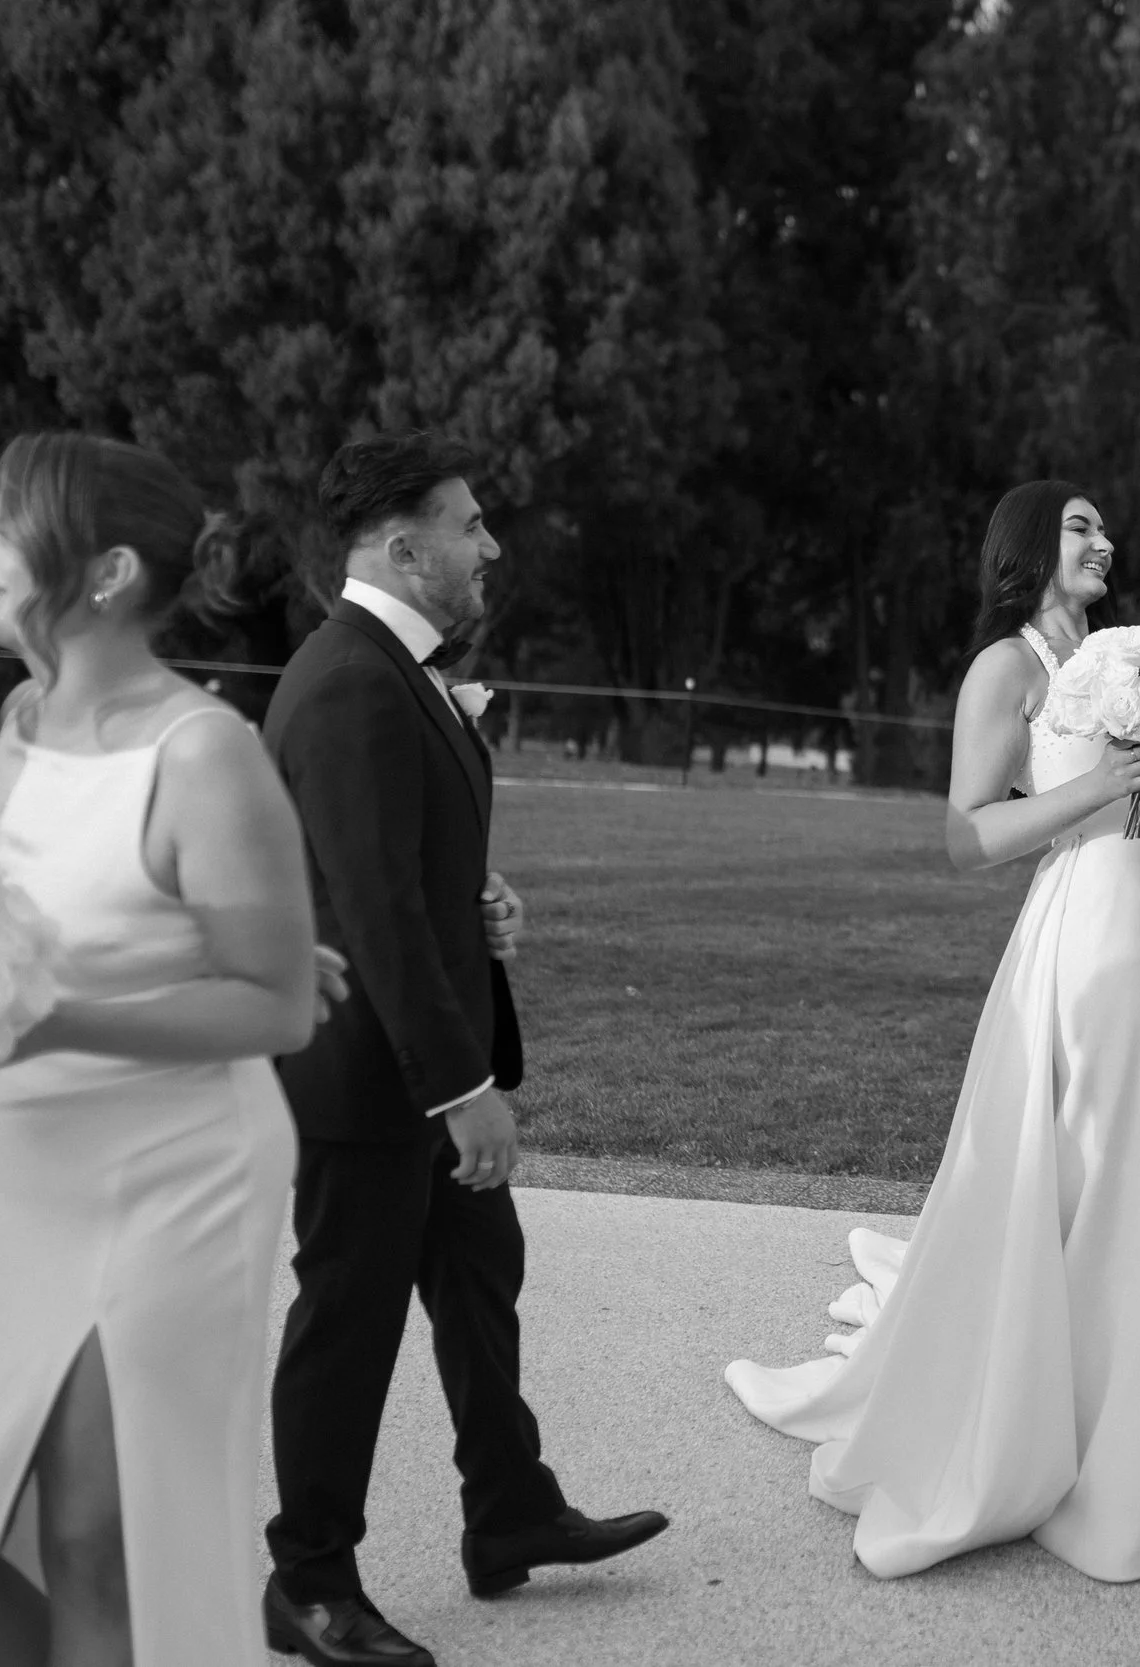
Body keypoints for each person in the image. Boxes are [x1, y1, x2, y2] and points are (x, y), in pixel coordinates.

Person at [725, 481, 1140, 1582]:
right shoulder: (1003, 667)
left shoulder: (1132, 655)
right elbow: (967, 835)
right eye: (1079, 526)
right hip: (1093, 935)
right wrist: (1097, 788)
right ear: (1027, 547)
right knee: (1099, 1164)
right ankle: (1061, 1418)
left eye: (1103, 527)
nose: (1102, 540)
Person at [262, 432, 665, 1667]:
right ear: (401, 545)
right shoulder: (349, 680)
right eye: (471, 524)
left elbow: (392, 869)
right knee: (348, 1323)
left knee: (482, 1281)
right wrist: (461, 1088)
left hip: (414, 1071)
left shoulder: (399, 670)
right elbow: (368, 906)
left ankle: (510, 1511)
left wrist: (475, 895)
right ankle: (310, 1581)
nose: (491, 546)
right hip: (372, 1084)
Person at [0, 432, 315, 1666]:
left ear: (106, 570)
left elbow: (277, 1008)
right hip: (12, 1171)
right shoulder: (23, 714)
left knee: (94, 1542)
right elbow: (29, 920)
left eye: (5, 527)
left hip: (161, 1178)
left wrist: (47, 1019)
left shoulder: (203, 751)